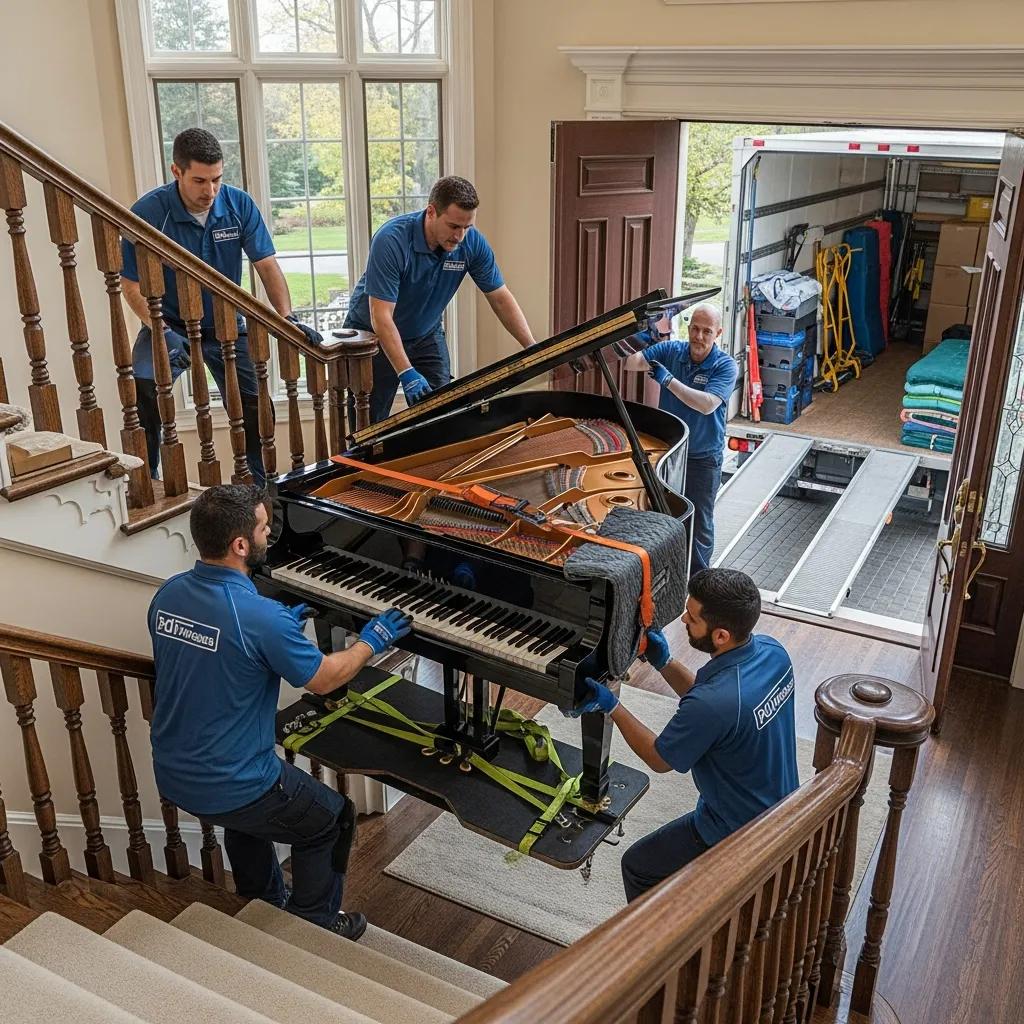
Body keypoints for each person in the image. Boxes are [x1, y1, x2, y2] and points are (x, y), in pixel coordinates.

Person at [147, 483, 413, 939]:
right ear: (240, 545)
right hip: (232, 781)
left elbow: (216, 650)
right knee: (332, 819)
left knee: (247, 819)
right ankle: (313, 926)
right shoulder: (259, 618)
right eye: (265, 527)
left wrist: (276, 632)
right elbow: (327, 677)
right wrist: (373, 639)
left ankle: (262, 904)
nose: (270, 533)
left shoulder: (168, 596)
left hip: (172, 772)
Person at [565, 568, 798, 902]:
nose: (684, 621)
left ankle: (660, 947)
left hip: (740, 831)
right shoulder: (772, 652)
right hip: (782, 807)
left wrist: (611, 705)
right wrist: (665, 662)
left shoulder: (715, 703)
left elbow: (660, 759)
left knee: (637, 866)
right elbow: (711, 704)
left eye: (692, 618)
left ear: (720, 636)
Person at [121, 128, 323, 483]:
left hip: (227, 323)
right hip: (169, 324)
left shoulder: (237, 204)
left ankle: (259, 489)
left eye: (216, 179)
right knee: (144, 390)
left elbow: (266, 264)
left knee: (256, 406)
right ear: (176, 172)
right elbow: (131, 285)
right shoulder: (149, 212)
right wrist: (159, 330)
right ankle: (148, 482)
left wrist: (287, 317)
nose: (209, 191)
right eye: (199, 180)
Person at [343, 175, 537, 423]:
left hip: (425, 333)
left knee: (442, 415)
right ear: (431, 212)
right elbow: (380, 316)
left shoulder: (472, 243)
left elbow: (499, 297)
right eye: (454, 226)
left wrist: (531, 347)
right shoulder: (392, 240)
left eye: (467, 227)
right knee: (368, 425)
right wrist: (406, 371)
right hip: (372, 335)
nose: (460, 236)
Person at [625, 303, 738, 573]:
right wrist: (643, 338)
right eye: (695, 329)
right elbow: (631, 364)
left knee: (699, 521)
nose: (699, 336)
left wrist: (668, 382)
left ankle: (698, 579)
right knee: (664, 515)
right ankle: (667, 574)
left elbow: (707, 404)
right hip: (670, 454)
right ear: (689, 327)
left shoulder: (726, 366)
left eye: (707, 331)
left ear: (718, 333)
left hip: (702, 457)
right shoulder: (671, 350)